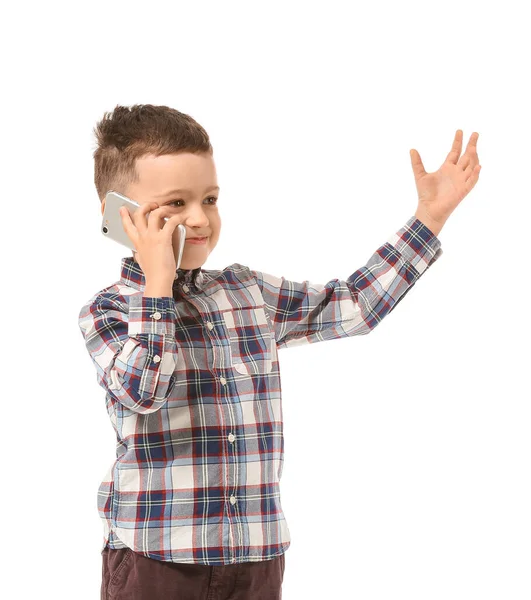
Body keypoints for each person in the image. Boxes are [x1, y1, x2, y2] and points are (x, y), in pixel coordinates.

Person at [77, 104, 481, 600]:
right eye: (175, 204)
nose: (200, 218)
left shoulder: (249, 292)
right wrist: (158, 287)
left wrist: (429, 218)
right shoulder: (110, 311)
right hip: (156, 561)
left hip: (257, 557)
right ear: (122, 216)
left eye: (210, 198)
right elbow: (141, 391)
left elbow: (353, 304)